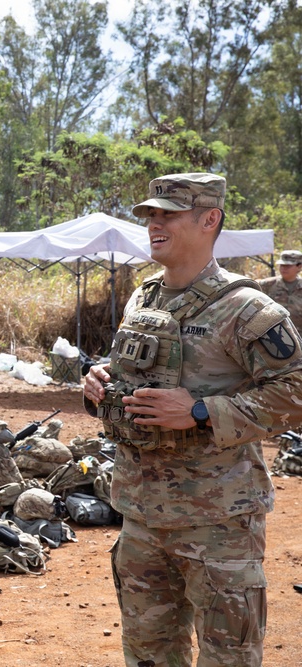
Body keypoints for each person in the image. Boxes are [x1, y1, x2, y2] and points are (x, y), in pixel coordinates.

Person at [82, 172, 302, 667]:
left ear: (210, 220)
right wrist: (99, 382)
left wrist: (202, 411)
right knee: (148, 654)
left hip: (218, 523)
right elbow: (133, 370)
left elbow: (297, 390)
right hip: (141, 516)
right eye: (150, 215)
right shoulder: (146, 297)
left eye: (168, 214)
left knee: (229, 658)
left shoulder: (247, 309)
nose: (153, 223)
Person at [258, 249, 302, 331]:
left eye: (288, 266)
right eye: (282, 265)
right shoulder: (266, 285)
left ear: (299, 266)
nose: (283, 269)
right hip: (273, 335)